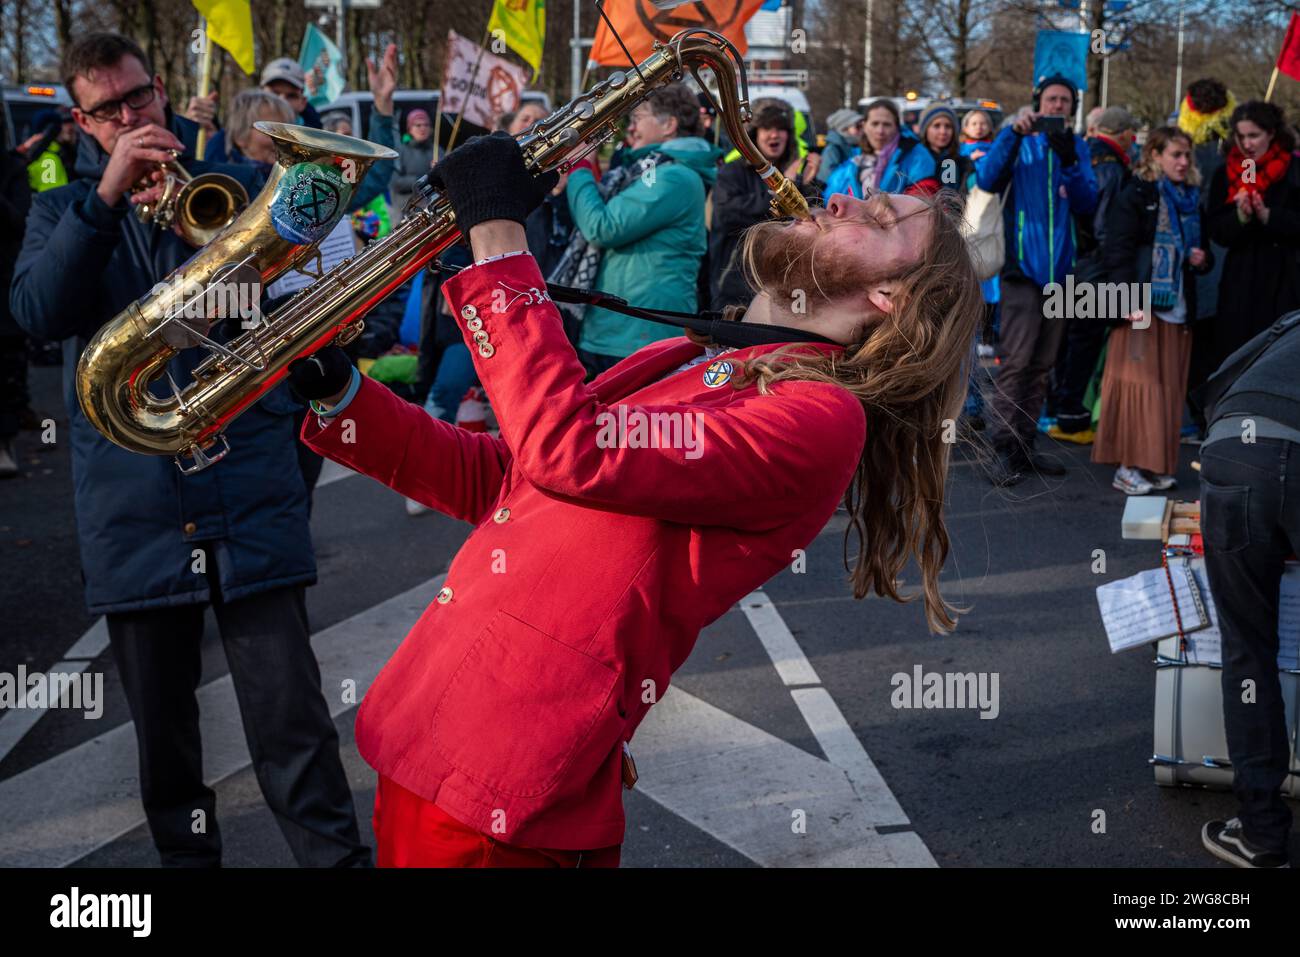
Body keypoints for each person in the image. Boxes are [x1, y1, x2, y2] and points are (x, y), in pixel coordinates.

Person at [285, 130, 984, 867]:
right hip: (440, 727)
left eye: (875, 220)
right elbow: (510, 476)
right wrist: (341, 390)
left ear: (889, 299)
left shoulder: (819, 415)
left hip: (500, 786)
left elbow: (568, 448)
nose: (838, 198)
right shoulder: (695, 354)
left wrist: (497, 233)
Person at [8, 32, 369, 867]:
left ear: (163, 90)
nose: (131, 119)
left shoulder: (238, 188)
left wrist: (230, 249)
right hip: (134, 507)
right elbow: (36, 315)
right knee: (167, 748)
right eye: (109, 111)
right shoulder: (61, 210)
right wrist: (102, 203)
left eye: (139, 99)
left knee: (294, 722)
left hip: (246, 486)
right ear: (82, 122)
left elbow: (292, 308)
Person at [1194, 312, 1300, 869]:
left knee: (1248, 651)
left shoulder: (1288, 324)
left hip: (1236, 450)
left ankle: (1261, 834)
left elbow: (1214, 384)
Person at [974, 75, 1098, 485]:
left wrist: (1069, 162)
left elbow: (1087, 202)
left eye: (1065, 101)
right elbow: (987, 180)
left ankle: (1026, 445)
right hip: (1022, 272)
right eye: (1051, 100)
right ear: (1037, 104)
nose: (1058, 106)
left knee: (1043, 365)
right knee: (1017, 362)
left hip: (1061, 275)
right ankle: (1003, 447)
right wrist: (1012, 133)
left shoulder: (1075, 146)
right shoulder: (1019, 140)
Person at [559, 82, 721, 377]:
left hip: (639, 335)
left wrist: (579, 166)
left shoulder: (673, 176)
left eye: (637, 119)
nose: (630, 129)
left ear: (669, 124)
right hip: (620, 330)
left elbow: (601, 227)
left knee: (628, 423)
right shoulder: (650, 171)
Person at [1093, 127, 1211, 495]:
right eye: (1175, 154)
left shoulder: (1190, 197)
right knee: (1137, 387)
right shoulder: (1138, 192)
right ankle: (1127, 467)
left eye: (1187, 155)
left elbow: (1201, 251)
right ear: (1155, 155)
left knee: (1166, 391)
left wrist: (1200, 259)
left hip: (1177, 307)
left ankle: (1153, 464)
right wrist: (1125, 297)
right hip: (1140, 305)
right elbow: (1118, 248)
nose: (1182, 161)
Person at [1048, 106, 1138, 444]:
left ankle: (1058, 408)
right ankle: (1071, 416)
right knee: (1083, 341)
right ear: (1124, 133)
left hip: (1074, 260)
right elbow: (1102, 222)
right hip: (1093, 265)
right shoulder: (1110, 166)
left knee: (1067, 338)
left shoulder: (1089, 156)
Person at [1204, 101, 1300, 387]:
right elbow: (1217, 230)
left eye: (1254, 135)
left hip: (1284, 279)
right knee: (1236, 352)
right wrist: (1241, 217)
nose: (1247, 144)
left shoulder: (1294, 170)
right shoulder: (1227, 172)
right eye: (1241, 136)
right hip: (1241, 279)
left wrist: (1269, 216)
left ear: (1271, 133)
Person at [709, 99, 822, 311]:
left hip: (783, 286)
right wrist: (783, 190)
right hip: (734, 284)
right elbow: (727, 213)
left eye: (781, 129)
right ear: (754, 134)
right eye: (767, 128)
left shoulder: (799, 175)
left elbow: (813, 220)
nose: (774, 134)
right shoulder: (733, 172)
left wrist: (806, 184)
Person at [1178, 77, 1236, 436]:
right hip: (1216, 256)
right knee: (1216, 341)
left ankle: (1199, 413)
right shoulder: (1233, 152)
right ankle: (1210, 415)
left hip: (1200, 255)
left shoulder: (1187, 149)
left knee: (1199, 341)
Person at [1, 126, 33, 478]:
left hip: (4, 279)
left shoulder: (13, 168)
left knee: (7, 367)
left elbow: (18, 219)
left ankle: (4, 441)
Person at [821, 98, 924, 200]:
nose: (880, 131)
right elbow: (830, 200)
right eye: (875, 124)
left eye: (887, 124)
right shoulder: (854, 160)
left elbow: (921, 202)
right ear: (865, 126)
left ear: (897, 127)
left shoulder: (916, 156)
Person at [22, 107, 78, 192]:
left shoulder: (65, 151)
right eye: (65, 123)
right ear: (52, 128)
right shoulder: (49, 158)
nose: (70, 128)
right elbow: (52, 197)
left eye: (72, 122)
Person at [391, 108, 435, 216]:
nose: (423, 128)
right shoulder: (400, 151)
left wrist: (439, 170)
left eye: (426, 125)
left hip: (432, 209)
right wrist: (424, 179)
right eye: (418, 125)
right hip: (407, 213)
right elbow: (396, 183)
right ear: (409, 129)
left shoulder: (437, 151)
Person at [816, 108, 862, 184]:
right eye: (857, 126)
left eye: (862, 126)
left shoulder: (853, 147)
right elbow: (829, 180)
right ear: (843, 129)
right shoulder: (832, 150)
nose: (862, 130)